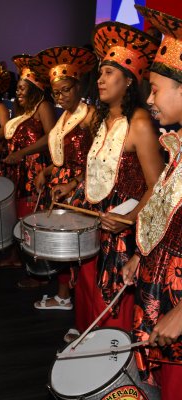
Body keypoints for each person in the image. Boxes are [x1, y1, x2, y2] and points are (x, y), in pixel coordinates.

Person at [74, 21, 164, 337]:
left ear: (128, 81)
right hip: (93, 220)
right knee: (86, 291)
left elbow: (158, 186)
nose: (100, 79)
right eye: (99, 73)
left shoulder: (139, 123)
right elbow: (98, 171)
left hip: (121, 232)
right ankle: (87, 345)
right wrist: (73, 187)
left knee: (109, 303)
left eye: (109, 72)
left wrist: (128, 219)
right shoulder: (100, 119)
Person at [122, 6, 182, 398]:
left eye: (156, 88)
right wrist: (140, 256)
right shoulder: (177, 146)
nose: (148, 98)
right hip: (161, 286)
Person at [30, 46, 97, 311]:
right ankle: (64, 296)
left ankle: (76, 303)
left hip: (78, 188)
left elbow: (96, 160)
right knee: (62, 246)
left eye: (66, 90)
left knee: (75, 250)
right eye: (57, 92)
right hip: (61, 186)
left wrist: (74, 182)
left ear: (78, 86)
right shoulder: (65, 116)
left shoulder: (89, 116)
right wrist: (44, 172)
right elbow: (60, 155)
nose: (61, 96)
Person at [0, 54, 56, 276]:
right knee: (17, 214)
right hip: (18, 167)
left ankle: (37, 271)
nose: (17, 92)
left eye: (21, 88)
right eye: (16, 88)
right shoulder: (25, 111)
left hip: (33, 168)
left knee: (31, 217)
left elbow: (50, 138)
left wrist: (21, 153)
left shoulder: (43, 106)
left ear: (34, 88)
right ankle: (17, 257)